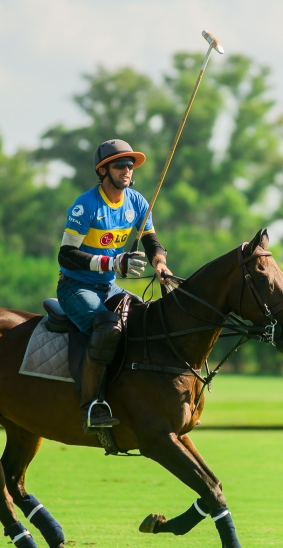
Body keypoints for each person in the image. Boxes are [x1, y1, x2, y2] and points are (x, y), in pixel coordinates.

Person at [57, 139, 171, 429]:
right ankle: (92, 406)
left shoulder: (137, 202)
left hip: (108, 287)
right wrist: (112, 263)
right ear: (103, 170)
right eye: (120, 165)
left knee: (146, 320)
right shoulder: (86, 205)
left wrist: (160, 263)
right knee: (108, 330)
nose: (127, 170)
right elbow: (66, 255)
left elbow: (151, 241)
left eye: (130, 165)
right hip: (76, 286)